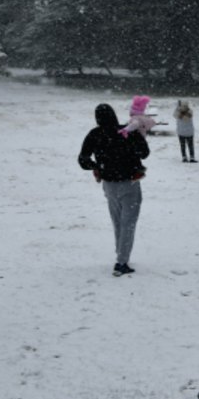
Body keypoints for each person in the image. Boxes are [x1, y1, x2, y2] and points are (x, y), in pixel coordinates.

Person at [78, 103, 150, 276]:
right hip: (130, 182)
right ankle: (121, 262)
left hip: (109, 184)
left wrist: (97, 166)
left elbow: (83, 159)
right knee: (128, 223)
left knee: (117, 222)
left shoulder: (95, 134)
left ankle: (121, 256)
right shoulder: (127, 131)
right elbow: (144, 153)